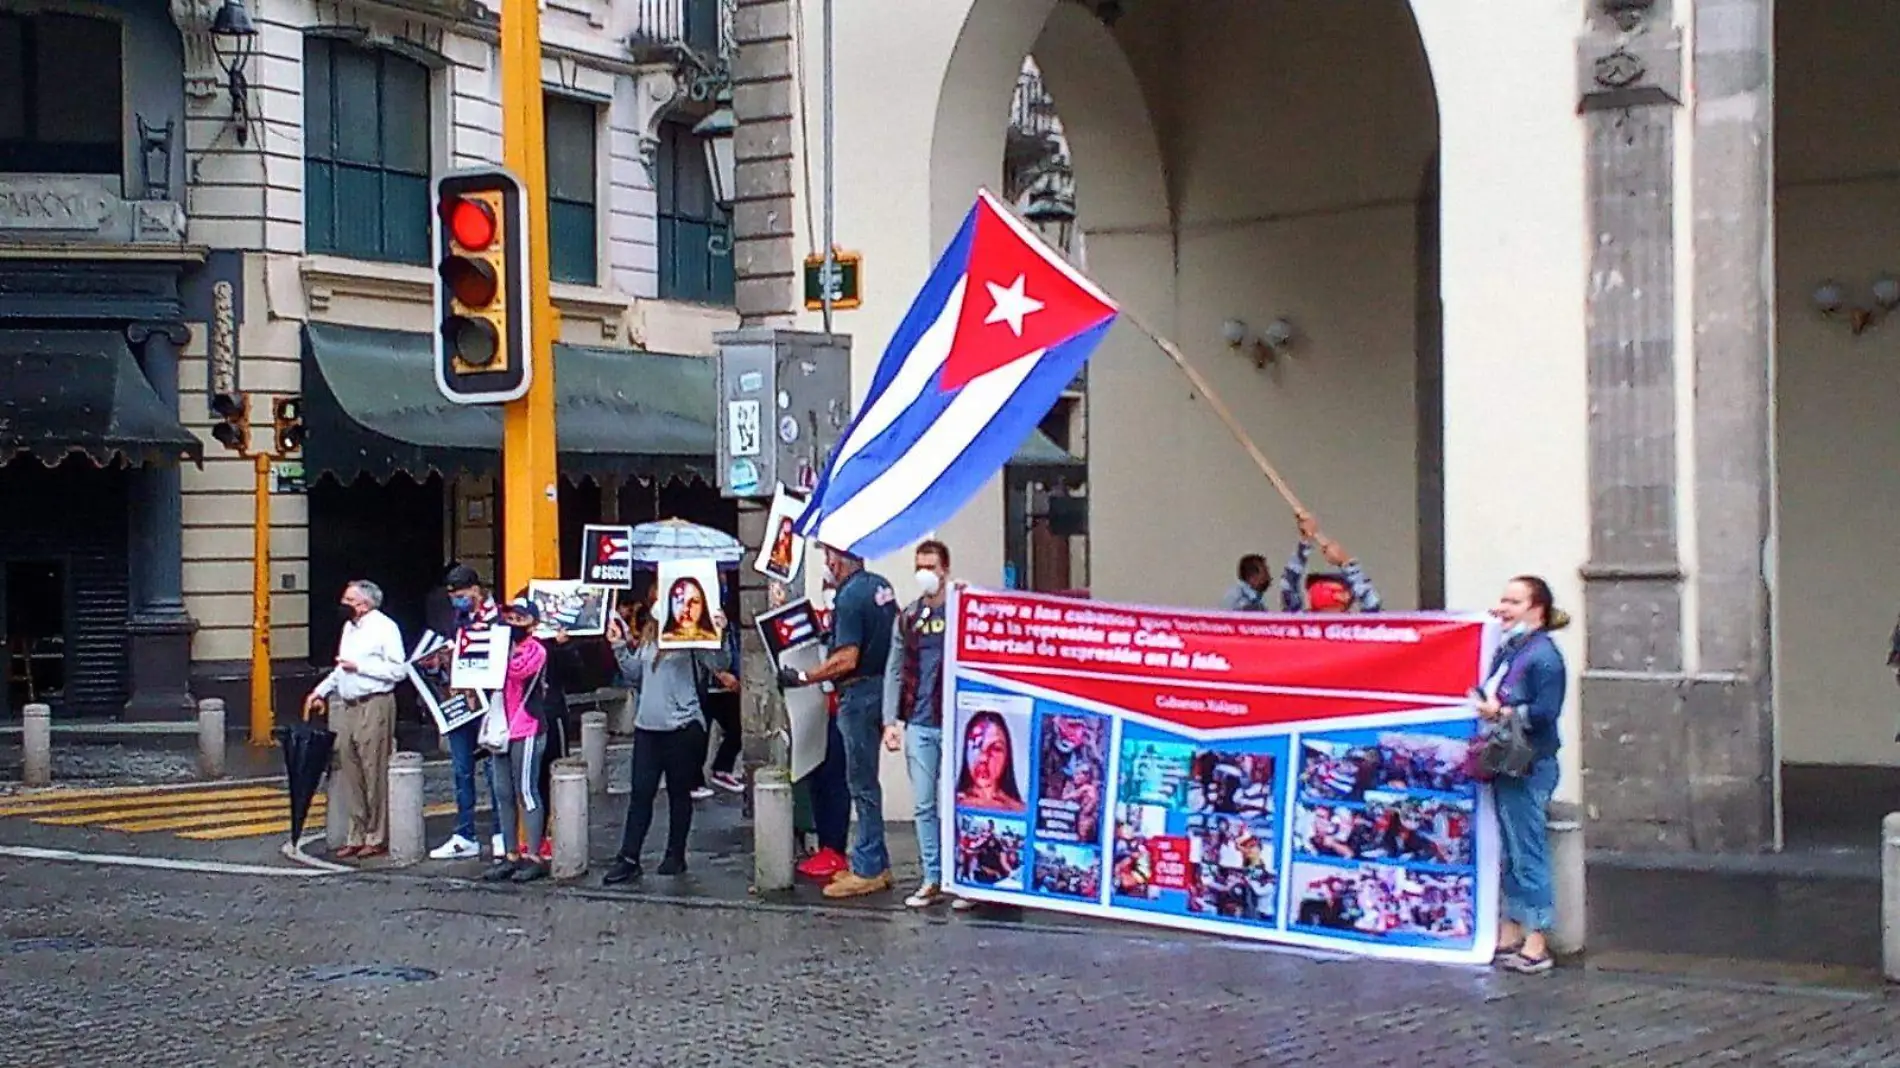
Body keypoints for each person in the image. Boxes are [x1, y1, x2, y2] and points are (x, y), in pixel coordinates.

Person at [779, 543, 899, 899]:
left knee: (860, 783)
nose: (827, 563)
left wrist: (804, 677)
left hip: (858, 694)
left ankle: (868, 869)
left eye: (829, 556)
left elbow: (847, 658)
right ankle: (874, 859)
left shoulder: (848, 597)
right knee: (866, 782)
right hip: (881, 689)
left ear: (839, 559)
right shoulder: (881, 586)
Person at [601, 586, 738, 884]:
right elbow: (636, 674)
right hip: (648, 727)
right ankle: (628, 857)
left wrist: (720, 633)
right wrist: (620, 647)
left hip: (681, 726)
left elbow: (718, 664)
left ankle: (675, 854)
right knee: (641, 793)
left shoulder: (691, 636)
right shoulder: (650, 635)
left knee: (679, 793)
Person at [1476, 574, 1570, 975]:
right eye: (1503, 599)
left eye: (1512, 602)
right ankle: (1511, 928)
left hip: (1528, 762)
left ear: (1537, 609)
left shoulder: (1544, 656)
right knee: (1513, 850)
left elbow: (1546, 712)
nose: (1503, 607)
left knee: (1528, 851)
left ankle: (1538, 939)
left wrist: (1504, 713)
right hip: (1507, 760)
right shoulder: (1513, 648)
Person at [303, 580, 407, 860]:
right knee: (350, 770)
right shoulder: (349, 628)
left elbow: (398, 670)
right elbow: (340, 668)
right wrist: (319, 692)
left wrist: (360, 667)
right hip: (347, 705)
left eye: (349, 599)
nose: (343, 604)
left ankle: (377, 834)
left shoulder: (385, 628)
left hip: (374, 704)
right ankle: (356, 834)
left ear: (364, 603)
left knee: (374, 770)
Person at [882, 539, 955, 908]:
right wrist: (890, 720)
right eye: (919, 567)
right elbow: (894, 669)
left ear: (945, 569)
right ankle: (933, 877)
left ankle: (961, 879)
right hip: (921, 723)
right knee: (924, 804)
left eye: (931, 566)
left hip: (956, 721)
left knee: (958, 803)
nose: (925, 573)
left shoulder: (962, 611)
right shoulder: (909, 616)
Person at [483, 597, 556, 884]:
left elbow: (516, 670)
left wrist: (500, 647)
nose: (512, 623)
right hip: (501, 727)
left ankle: (535, 855)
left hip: (527, 726)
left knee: (526, 791)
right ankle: (510, 853)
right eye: (509, 617)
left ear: (533, 624)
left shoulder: (536, 650)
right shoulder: (500, 646)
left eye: (519, 618)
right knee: (503, 792)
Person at [430, 564, 497, 861]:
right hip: (459, 705)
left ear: (476, 589)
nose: (457, 599)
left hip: (488, 705)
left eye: (460, 594)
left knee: (494, 771)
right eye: (452, 595)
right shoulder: (456, 620)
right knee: (461, 770)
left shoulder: (498, 619)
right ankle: (465, 834)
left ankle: (500, 832)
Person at [696, 581, 746, 798]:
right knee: (702, 733)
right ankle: (695, 778)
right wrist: (718, 673)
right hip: (709, 684)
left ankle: (721, 768)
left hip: (726, 682)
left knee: (737, 728)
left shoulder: (730, 610)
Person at [1279, 511, 1382, 613]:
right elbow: (1288, 586)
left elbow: (1372, 605)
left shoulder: (1354, 626)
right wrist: (1305, 541)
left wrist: (1345, 562)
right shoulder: (1302, 625)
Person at [955, 710, 1027, 812]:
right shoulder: (951, 804)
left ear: (1007, 757)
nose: (984, 757)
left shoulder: (1019, 810)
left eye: (995, 748)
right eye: (976, 746)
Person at [660, 576, 720, 643]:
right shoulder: (664, 639)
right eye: (679, 601)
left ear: (703, 604)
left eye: (694, 601)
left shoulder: (711, 639)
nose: (686, 609)